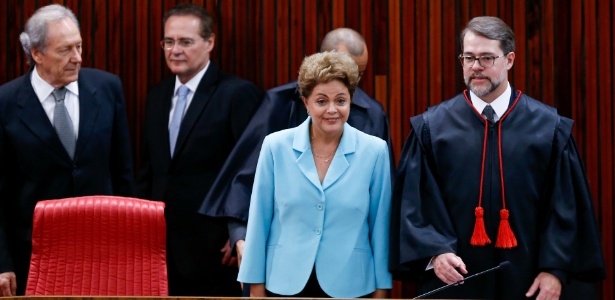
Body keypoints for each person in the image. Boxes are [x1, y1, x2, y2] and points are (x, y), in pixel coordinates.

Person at [390, 16, 605, 299]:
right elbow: (415, 205)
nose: (476, 67)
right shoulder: (432, 129)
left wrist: (555, 270)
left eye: (487, 58)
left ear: (510, 59)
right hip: (458, 284)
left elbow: (564, 207)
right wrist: (436, 252)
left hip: (530, 284)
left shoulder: (548, 128)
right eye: (469, 58)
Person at [199, 28, 393, 270]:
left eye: (358, 74)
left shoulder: (372, 114)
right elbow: (247, 177)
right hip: (283, 254)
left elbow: (380, 201)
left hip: (346, 260)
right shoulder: (278, 104)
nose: (350, 81)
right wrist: (241, 233)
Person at [0, 4, 135, 296]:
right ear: (36, 53)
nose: (78, 58)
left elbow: (124, 175)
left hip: (102, 253)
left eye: (79, 46)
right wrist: (2, 262)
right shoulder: (5, 102)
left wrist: (129, 252)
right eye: (65, 50)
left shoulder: (108, 87)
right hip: (34, 257)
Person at [238, 51, 392, 298]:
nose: (332, 110)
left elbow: (380, 227)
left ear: (350, 100)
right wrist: (255, 288)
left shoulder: (375, 151)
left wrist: (382, 290)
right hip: (283, 284)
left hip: (351, 285)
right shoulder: (275, 146)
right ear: (306, 102)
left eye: (340, 100)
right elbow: (259, 221)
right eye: (321, 101)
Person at [137, 3, 261, 296]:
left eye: (185, 42)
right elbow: (148, 171)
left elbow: (252, 171)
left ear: (210, 43)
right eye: (168, 41)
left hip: (215, 250)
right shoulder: (156, 96)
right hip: (159, 250)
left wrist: (241, 233)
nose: (174, 50)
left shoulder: (237, 94)